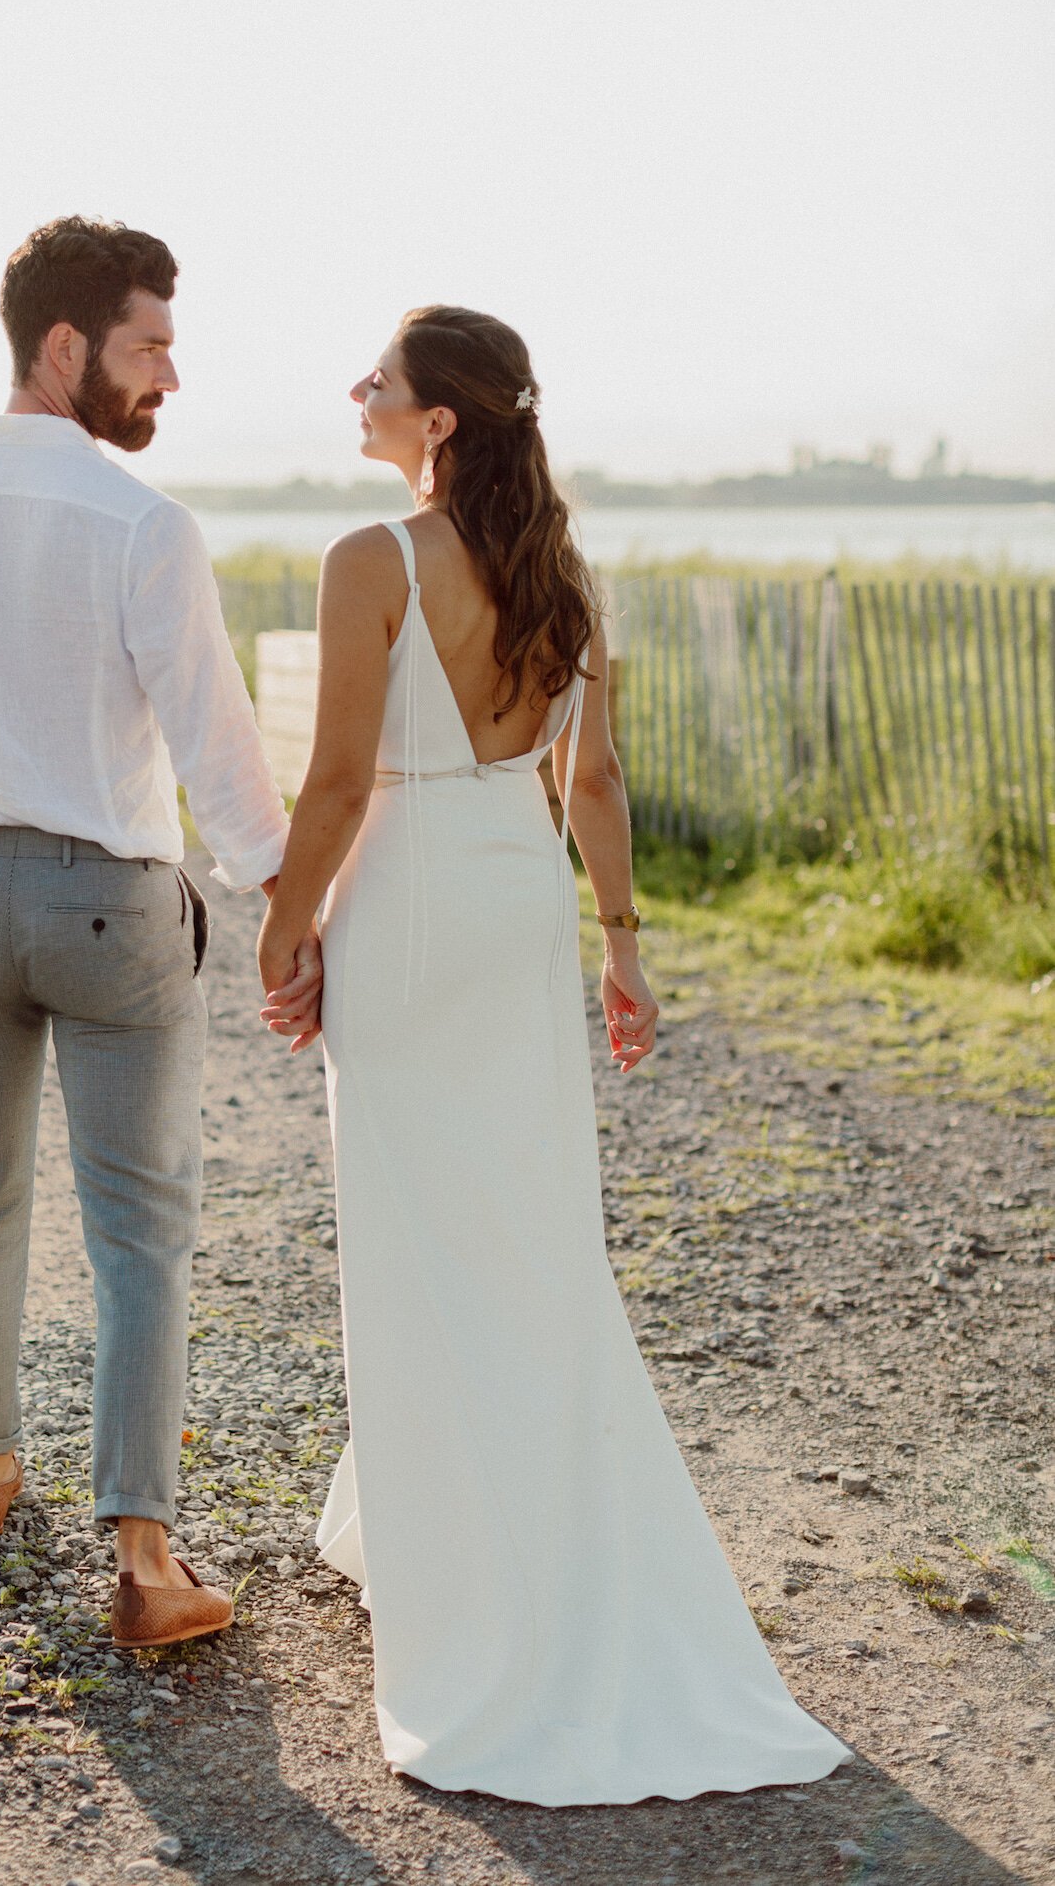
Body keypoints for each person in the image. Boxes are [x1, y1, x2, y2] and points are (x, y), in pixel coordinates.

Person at [258, 306, 850, 1804]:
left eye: (380, 381)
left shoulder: (369, 561)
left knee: (413, 1232)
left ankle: (468, 1572)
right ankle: (461, 1529)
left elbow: (333, 779)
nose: (359, 393)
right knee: (524, 1238)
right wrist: (623, 944)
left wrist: (283, 926)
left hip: (404, 902)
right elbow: (594, 776)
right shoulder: (558, 576)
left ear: (440, 421)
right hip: (514, 904)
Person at [0, 216, 318, 1651]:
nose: (170, 378)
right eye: (151, 345)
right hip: (111, 902)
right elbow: (217, 746)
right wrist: (288, 906)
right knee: (141, 1232)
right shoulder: (143, 526)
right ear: (65, 347)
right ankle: (143, 1555)